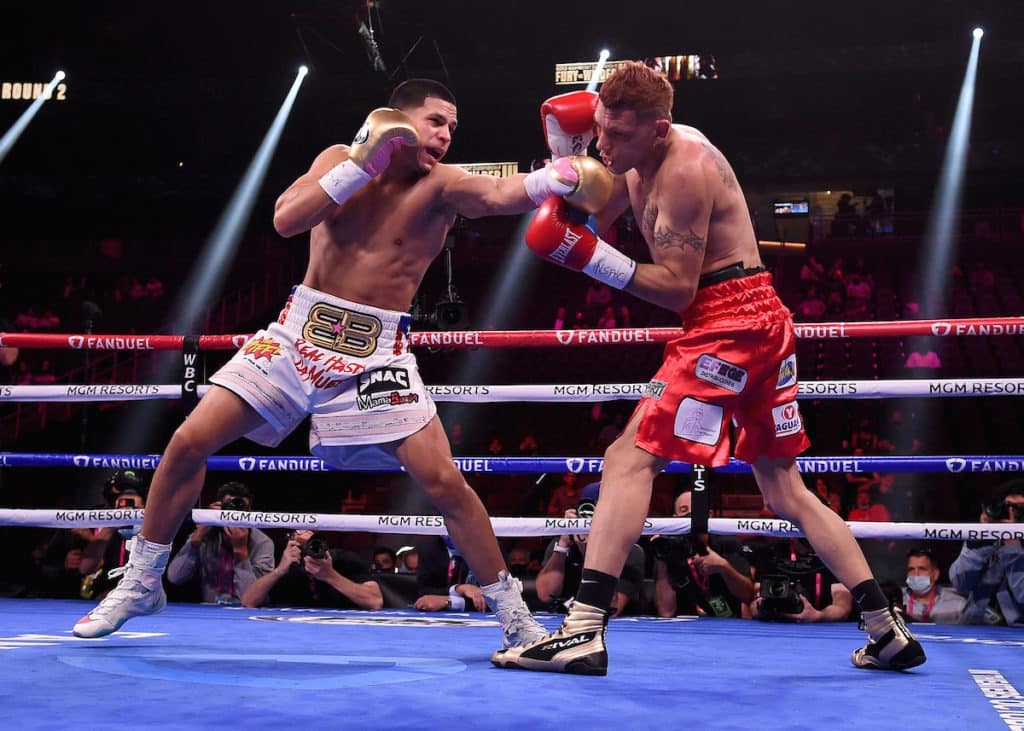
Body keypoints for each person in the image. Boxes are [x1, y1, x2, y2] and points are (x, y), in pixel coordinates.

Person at [73, 78, 610, 647]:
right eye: (436, 121)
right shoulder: (339, 159)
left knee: (445, 482)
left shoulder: (444, 186)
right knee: (187, 442)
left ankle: (515, 616)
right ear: (397, 121)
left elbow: (504, 196)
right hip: (297, 332)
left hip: (377, 352)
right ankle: (143, 580)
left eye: (453, 126)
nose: (447, 134)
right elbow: (286, 218)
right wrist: (360, 161)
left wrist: (560, 173)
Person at [493, 62, 924, 674]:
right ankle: (888, 629)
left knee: (627, 458)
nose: (606, 148)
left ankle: (584, 629)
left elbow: (673, 288)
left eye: (618, 137)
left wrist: (590, 261)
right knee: (783, 487)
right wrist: (567, 159)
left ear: (660, 129)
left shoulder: (686, 169)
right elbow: (593, 211)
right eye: (600, 133)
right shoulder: (628, 155)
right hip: (760, 323)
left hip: (729, 326)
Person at [536, 482, 645, 617]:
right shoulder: (564, 541)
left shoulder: (629, 550)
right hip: (562, 620)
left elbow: (613, 608)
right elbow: (546, 595)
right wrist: (562, 545)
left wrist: (586, 550)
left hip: (614, 629)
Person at [165, 482, 274, 604]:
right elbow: (175, 577)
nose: (235, 514)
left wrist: (241, 551)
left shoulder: (263, 543)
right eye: (229, 507)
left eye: (241, 508)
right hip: (210, 610)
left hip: (246, 612)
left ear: (249, 511)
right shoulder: (205, 534)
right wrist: (197, 537)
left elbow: (250, 600)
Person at [652, 490, 753, 618]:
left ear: (709, 515)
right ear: (675, 518)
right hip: (684, 627)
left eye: (696, 510)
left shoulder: (727, 542)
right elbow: (666, 612)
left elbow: (748, 596)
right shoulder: (668, 548)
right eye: (684, 510)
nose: (690, 515)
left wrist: (724, 567)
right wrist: (662, 556)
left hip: (728, 624)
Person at [240, 530, 382, 610]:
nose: (309, 551)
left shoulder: (344, 559)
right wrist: (280, 570)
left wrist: (331, 576)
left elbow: (374, 600)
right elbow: (248, 601)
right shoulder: (288, 565)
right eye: (302, 546)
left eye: (312, 544)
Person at [948, 480, 1024, 626]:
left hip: (1017, 635)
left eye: (1019, 509)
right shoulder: (988, 537)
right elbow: (960, 583)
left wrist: (1012, 546)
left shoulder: (1012, 544)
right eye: (1007, 507)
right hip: (973, 625)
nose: (1011, 514)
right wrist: (981, 539)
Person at [901, 547, 966, 624]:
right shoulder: (897, 601)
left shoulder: (958, 605)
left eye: (922, 569)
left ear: (935, 574)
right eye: (911, 569)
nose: (916, 574)